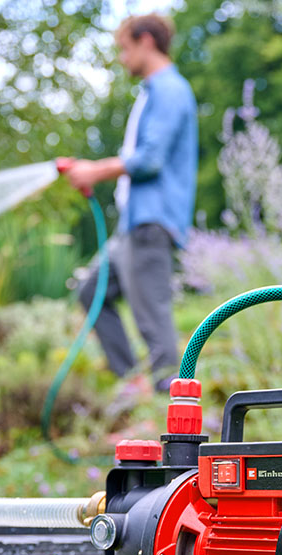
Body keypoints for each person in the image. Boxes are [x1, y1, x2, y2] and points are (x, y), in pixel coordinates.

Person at [61, 14, 198, 394]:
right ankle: (133, 384)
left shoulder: (170, 90)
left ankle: (168, 405)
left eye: (124, 48)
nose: (122, 59)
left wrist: (95, 171)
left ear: (146, 42)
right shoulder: (151, 93)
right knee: (91, 293)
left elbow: (150, 159)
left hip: (152, 223)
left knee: (153, 320)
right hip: (131, 224)